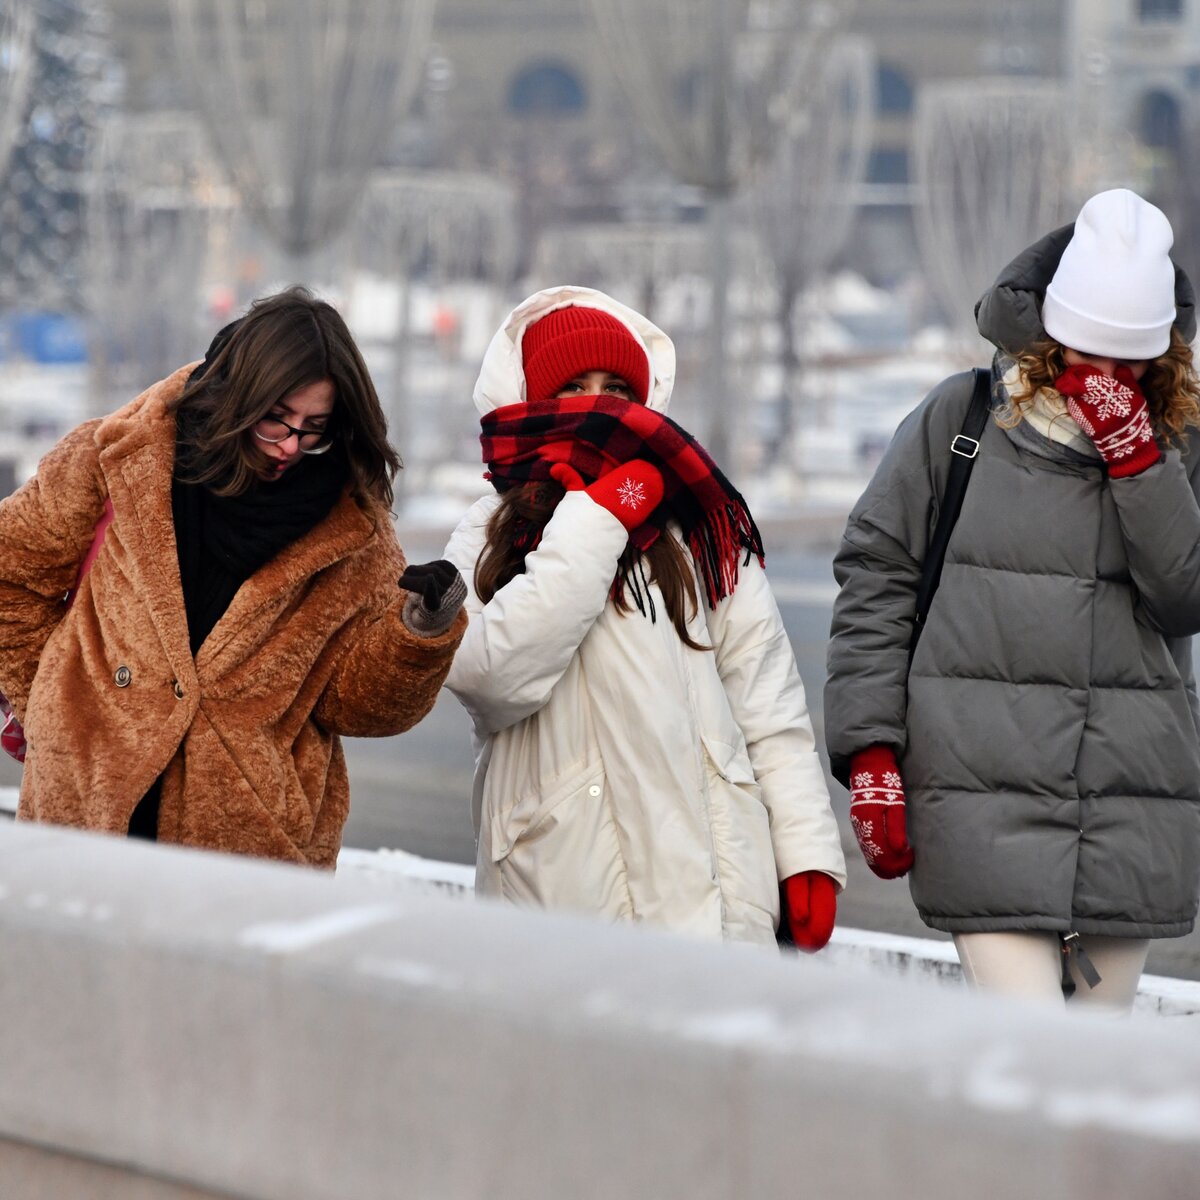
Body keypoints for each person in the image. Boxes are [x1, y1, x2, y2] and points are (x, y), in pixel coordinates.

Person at [825, 188, 1200, 1013]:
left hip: (1128, 805)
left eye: (1129, 361)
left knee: (1088, 1092)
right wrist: (871, 754)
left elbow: (1183, 597)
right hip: (980, 798)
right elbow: (877, 579)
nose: (1107, 379)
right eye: (1088, 354)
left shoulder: (1181, 445)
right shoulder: (960, 419)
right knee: (1031, 1056)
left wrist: (1141, 463)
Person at [0, 286, 467, 865]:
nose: (292, 445)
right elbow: (12, 574)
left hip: (249, 848)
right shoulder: (113, 458)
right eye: (275, 419)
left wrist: (419, 634)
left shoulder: (354, 529)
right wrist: (52, 707)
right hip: (85, 810)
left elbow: (358, 705)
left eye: (315, 426)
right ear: (235, 397)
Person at [442, 285, 846, 949]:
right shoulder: (486, 533)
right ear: (535, 401)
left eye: (616, 389)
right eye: (576, 386)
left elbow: (768, 704)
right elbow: (492, 679)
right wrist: (599, 516)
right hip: (565, 884)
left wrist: (805, 853)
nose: (600, 404)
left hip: (715, 881)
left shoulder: (701, 527)